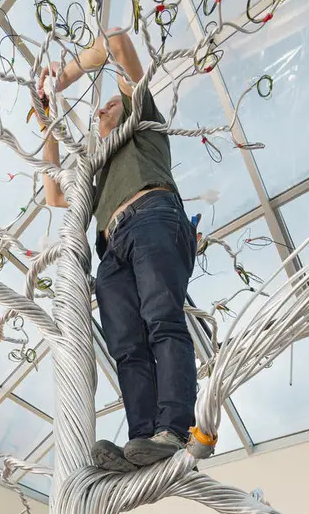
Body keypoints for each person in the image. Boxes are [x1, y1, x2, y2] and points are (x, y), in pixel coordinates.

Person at [38, 28, 198, 473]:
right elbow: (54, 193)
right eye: (99, 107)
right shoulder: (98, 164)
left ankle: (174, 427)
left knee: (162, 320)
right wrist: (45, 113)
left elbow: (117, 41)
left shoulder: (142, 123)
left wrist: (65, 75)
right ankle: (142, 438)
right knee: (125, 343)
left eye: (113, 99)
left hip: (151, 214)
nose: (103, 105)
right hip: (112, 246)